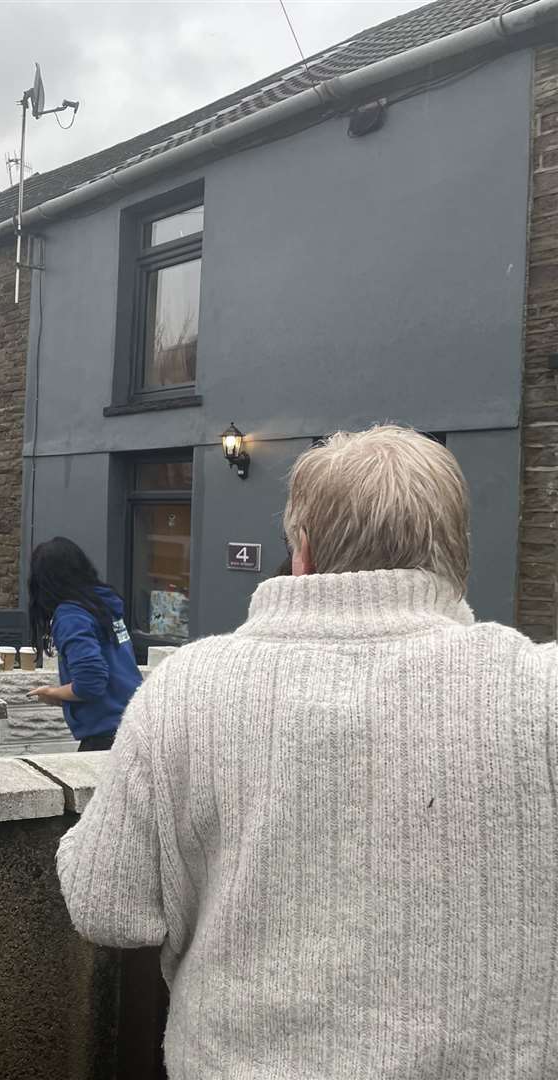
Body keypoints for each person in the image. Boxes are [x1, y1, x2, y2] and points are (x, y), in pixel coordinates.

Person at [57, 426, 558, 1078]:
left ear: (302, 551)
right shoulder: (540, 692)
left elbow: (106, 906)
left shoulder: (185, 688)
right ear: (456, 555)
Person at [24, 537, 141, 751]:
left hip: (108, 736)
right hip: (136, 722)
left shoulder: (72, 616)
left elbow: (91, 682)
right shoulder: (102, 605)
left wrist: (53, 693)